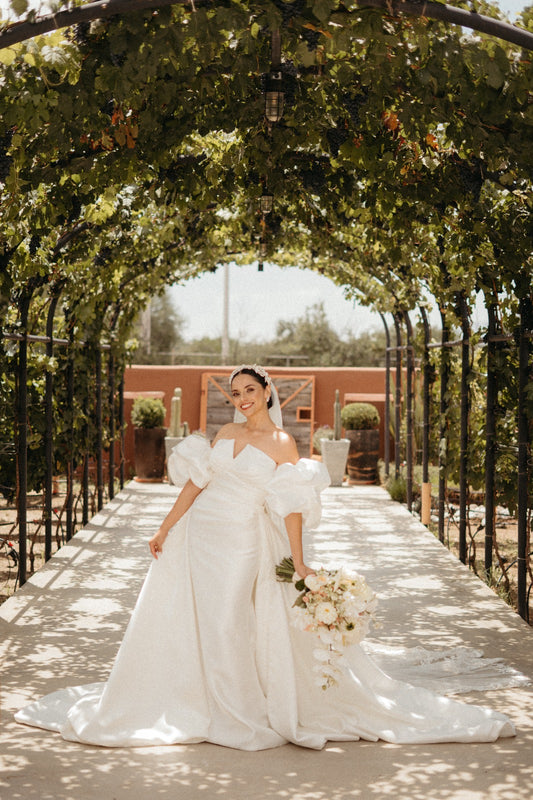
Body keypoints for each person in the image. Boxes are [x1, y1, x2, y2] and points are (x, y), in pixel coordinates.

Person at [15, 365, 517, 749]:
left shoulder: (283, 443)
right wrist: (166, 526)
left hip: (241, 541)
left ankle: (238, 707)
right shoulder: (226, 435)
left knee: (230, 619)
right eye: (234, 394)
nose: (241, 399)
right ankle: (199, 697)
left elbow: (290, 506)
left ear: (266, 392)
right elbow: (196, 482)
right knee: (197, 618)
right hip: (200, 533)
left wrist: (299, 563)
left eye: (249, 391)